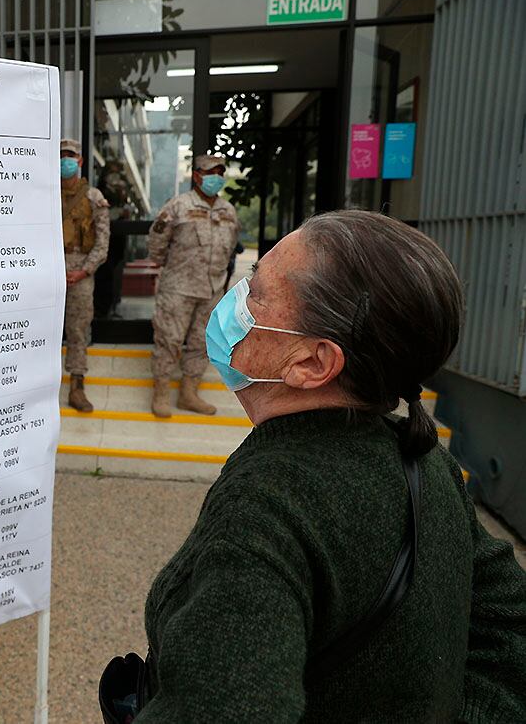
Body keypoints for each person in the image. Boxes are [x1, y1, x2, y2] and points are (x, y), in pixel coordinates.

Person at [128, 211, 526, 721]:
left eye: (256, 293)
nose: (235, 300)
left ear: (314, 364)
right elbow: (509, 626)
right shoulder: (424, 462)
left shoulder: (269, 507)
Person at [147, 154, 239, 418]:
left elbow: (230, 247)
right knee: (168, 340)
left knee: (202, 342)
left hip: (212, 290)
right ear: (197, 175)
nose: (216, 177)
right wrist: (168, 268)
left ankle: (189, 393)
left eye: (220, 172)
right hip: (178, 288)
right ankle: (161, 393)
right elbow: (157, 242)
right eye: (211, 172)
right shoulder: (178, 205)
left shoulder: (228, 210)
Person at [60, 138, 110, 413]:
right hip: (48, 272)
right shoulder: (43, 194)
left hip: (80, 273)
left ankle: (76, 385)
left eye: (70, 156)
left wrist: (84, 271)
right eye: (61, 156)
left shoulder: (93, 197)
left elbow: (103, 242)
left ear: (79, 161)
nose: (65, 161)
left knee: (78, 330)